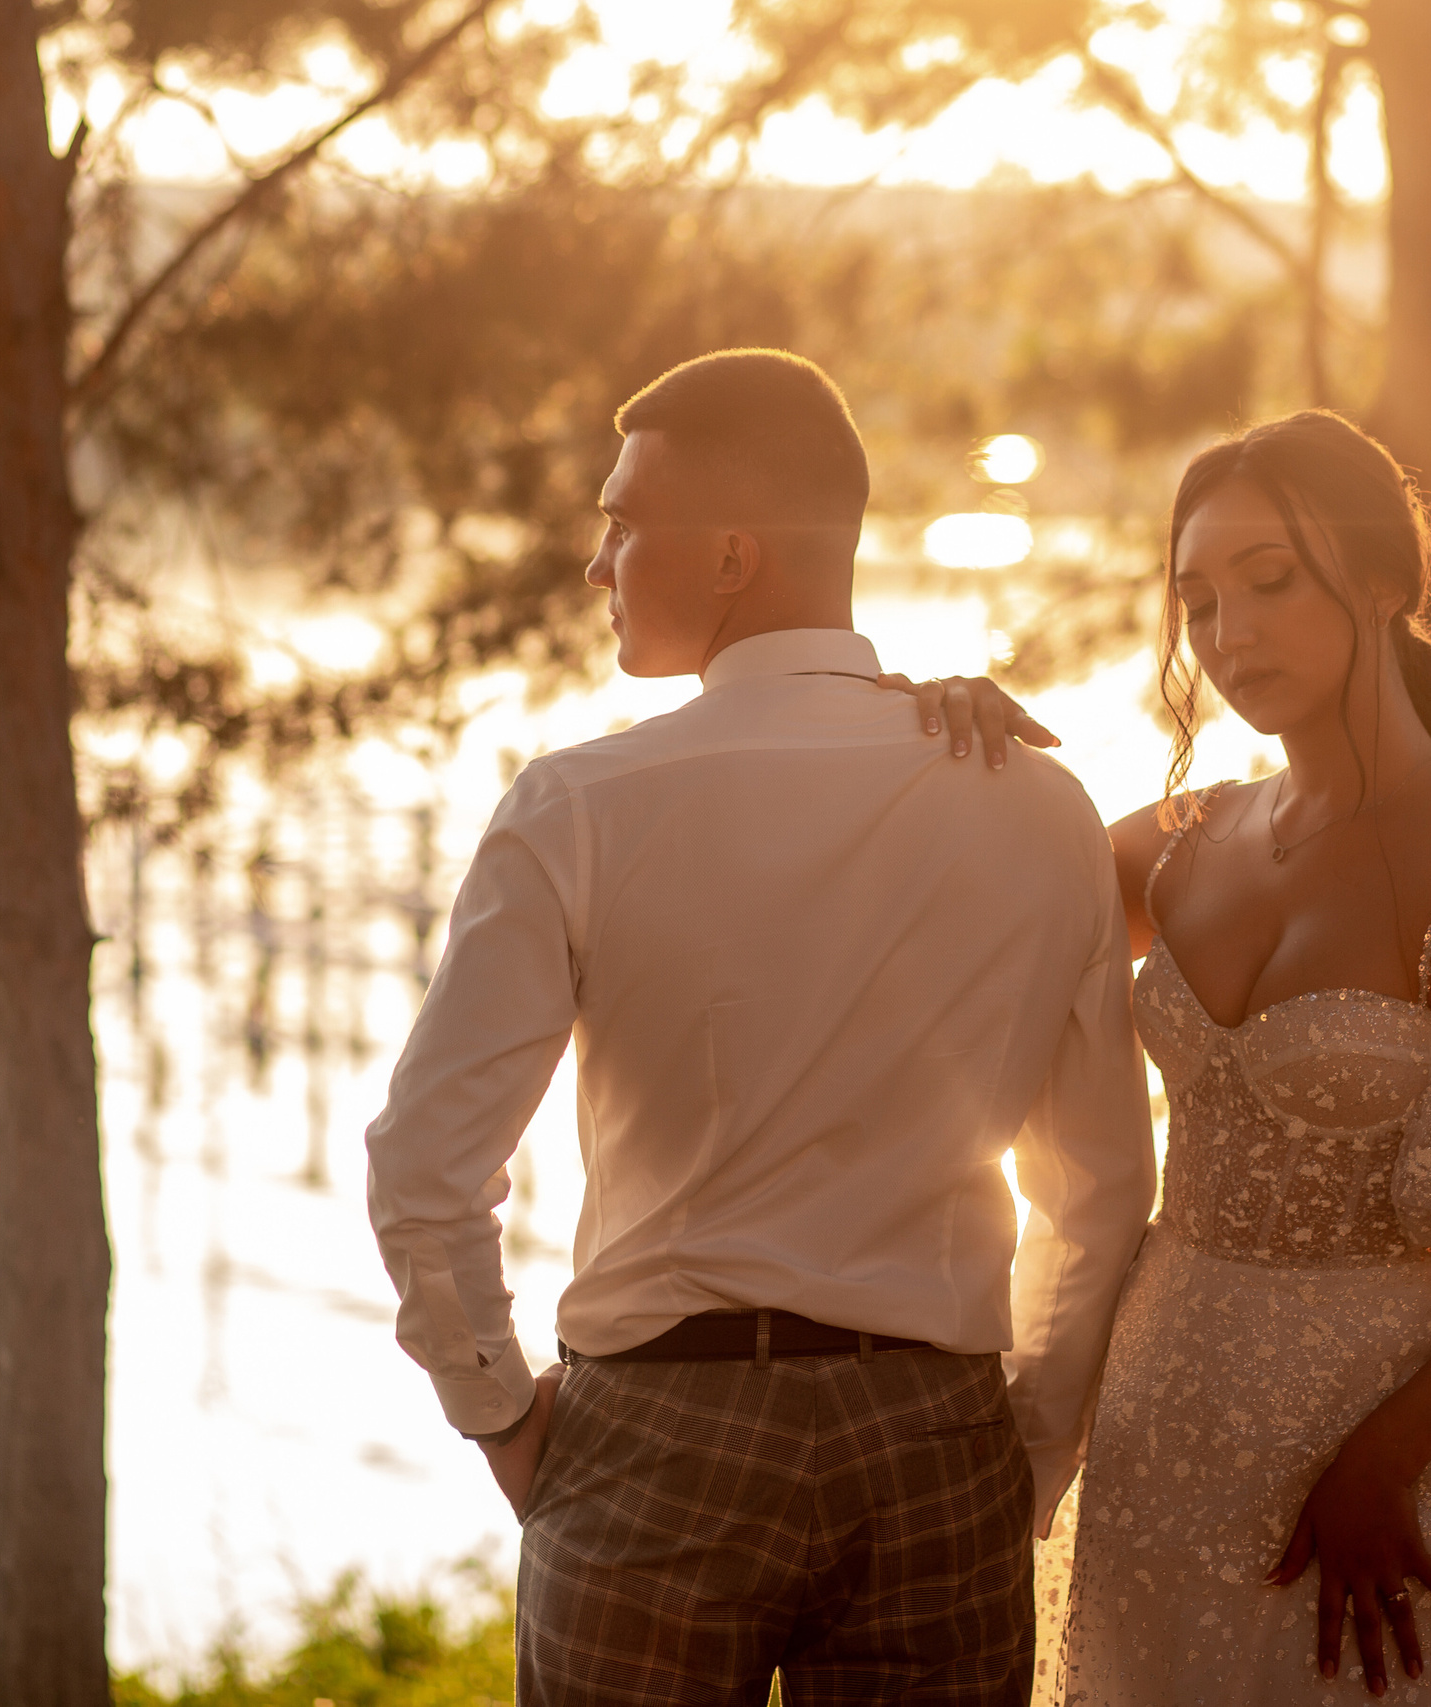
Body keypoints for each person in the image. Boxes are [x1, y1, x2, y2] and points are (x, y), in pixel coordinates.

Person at [363, 348, 1158, 1706]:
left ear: (734, 556)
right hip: (937, 1441)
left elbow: (426, 1167)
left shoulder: (579, 808)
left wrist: (498, 1408)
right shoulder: (1038, 805)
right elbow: (1098, 1187)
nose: (597, 563)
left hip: (661, 1433)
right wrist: (1025, 1438)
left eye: (624, 524)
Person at [906, 409, 1431, 1705]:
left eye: (1269, 581)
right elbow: (970, 895)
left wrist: (1387, 1456)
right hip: (1161, 1430)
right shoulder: (1188, 842)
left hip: (1398, 1450)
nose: (1230, 635)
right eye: (1200, 599)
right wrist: (942, 738)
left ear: (1386, 579)